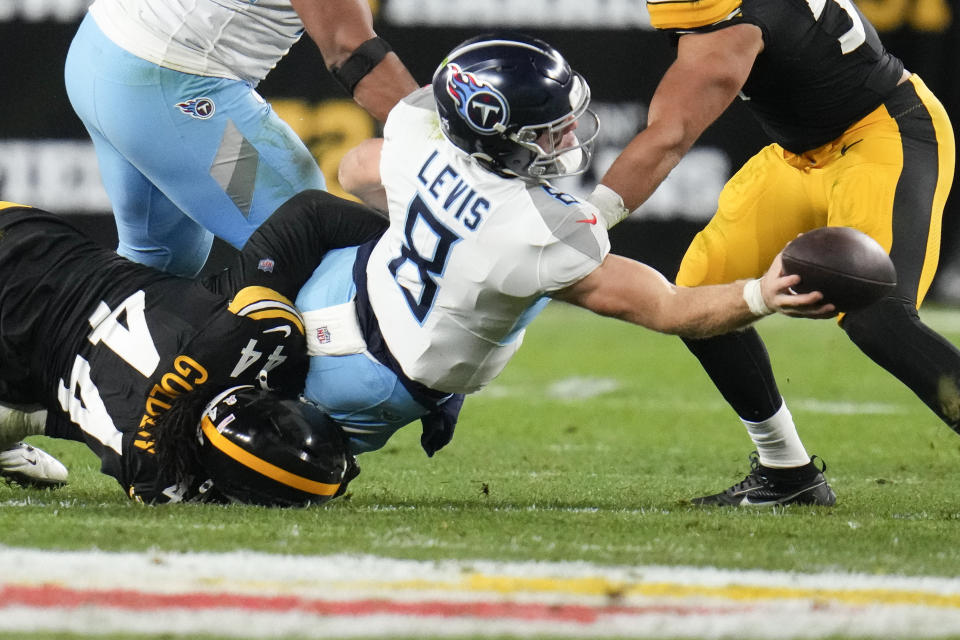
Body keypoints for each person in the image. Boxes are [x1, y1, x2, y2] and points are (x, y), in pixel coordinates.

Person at [293, 33, 834, 457]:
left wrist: (430, 214)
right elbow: (668, 308)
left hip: (337, 294)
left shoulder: (420, 131)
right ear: (498, 134)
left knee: (282, 258)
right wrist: (762, 296)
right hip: (374, 380)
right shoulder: (540, 231)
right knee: (279, 455)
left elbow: (355, 169)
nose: (570, 139)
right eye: (553, 131)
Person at [586, 0, 956, 506]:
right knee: (701, 297)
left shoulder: (733, 19)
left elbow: (670, 136)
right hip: (793, 155)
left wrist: (589, 221)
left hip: (883, 131)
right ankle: (787, 474)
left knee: (876, 315)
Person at [0, 191, 386, 505]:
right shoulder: (148, 467)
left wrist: (403, 258)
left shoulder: (248, 329)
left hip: (29, 245)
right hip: (26, 346)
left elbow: (311, 211)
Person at [64, 0, 419, 277]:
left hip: (103, 52)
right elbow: (350, 51)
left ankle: (66, 362)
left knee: (158, 265)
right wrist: (439, 139)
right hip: (164, 90)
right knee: (316, 246)